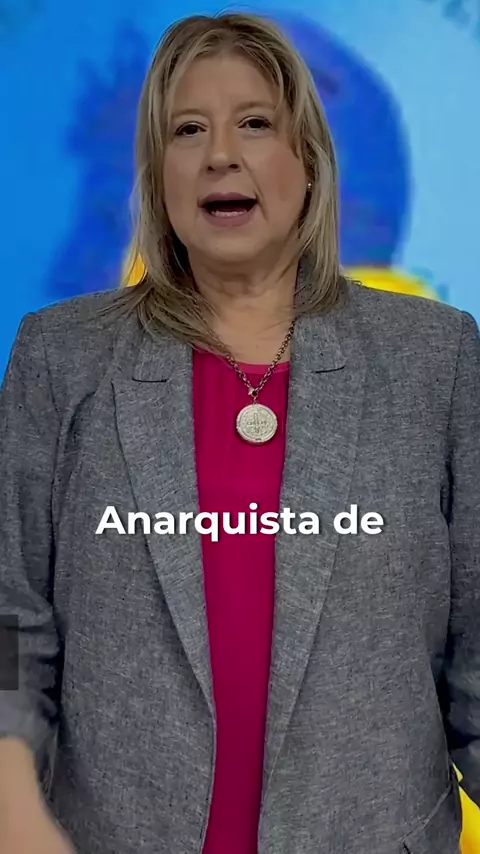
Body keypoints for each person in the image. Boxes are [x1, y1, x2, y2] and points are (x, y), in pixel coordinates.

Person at [0, 12, 478, 854]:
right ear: (158, 175)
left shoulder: (434, 358)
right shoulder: (61, 357)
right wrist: (14, 813)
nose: (220, 153)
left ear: (309, 163)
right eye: (188, 130)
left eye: (255, 123)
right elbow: (12, 620)